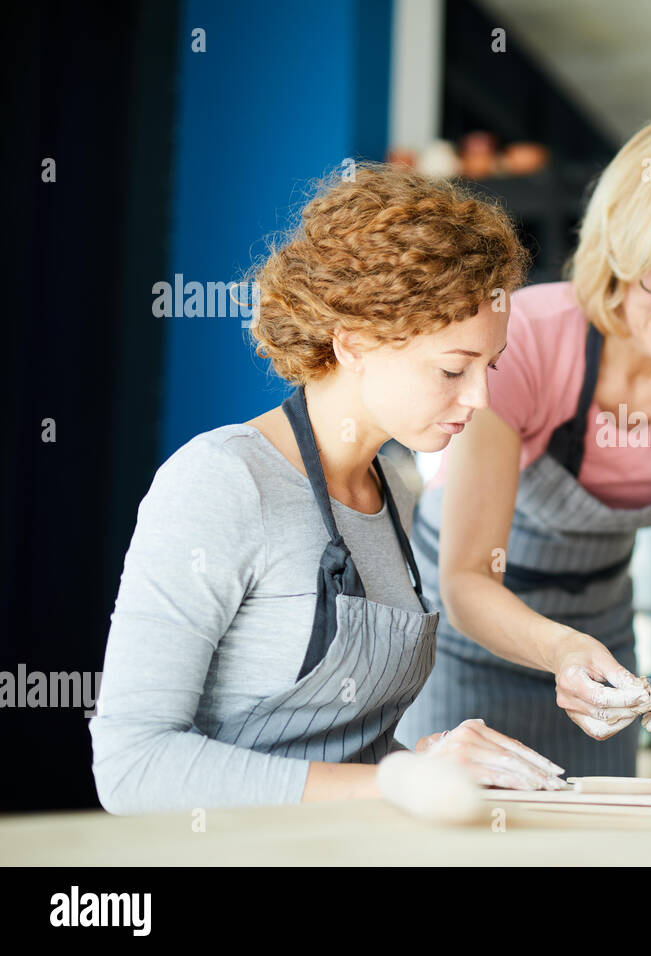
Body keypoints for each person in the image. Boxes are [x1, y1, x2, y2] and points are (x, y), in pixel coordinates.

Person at [91, 165, 565, 814]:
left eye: (490, 367)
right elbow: (131, 767)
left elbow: (343, 760)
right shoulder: (222, 481)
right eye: (454, 368)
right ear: (353, 341)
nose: (480, 399)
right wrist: (394, 785)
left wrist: (423, 764)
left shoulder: (394, 491)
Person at [396, 111, 651, 777]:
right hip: (460, 632)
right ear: (621, 238)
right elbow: (467, 578)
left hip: (602, 636)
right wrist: (558, 652)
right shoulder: (524, 336)